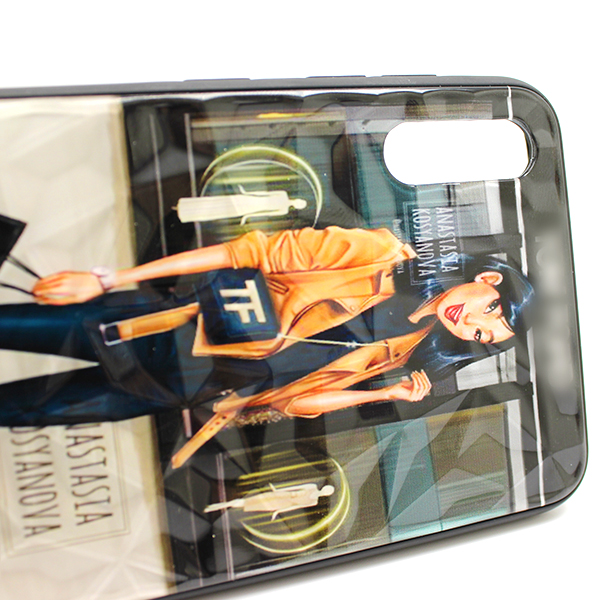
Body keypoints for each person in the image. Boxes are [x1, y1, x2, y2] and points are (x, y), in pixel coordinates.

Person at [0, 226, 533, 461]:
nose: (470, 322)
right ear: (487, 280)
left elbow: (293, 404)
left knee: (19, 410)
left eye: (481, 335)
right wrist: (109, 279)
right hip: (156, 326)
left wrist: (382, 394)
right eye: (488, 310)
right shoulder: (379, 255)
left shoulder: (399, 355)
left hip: (176, 387)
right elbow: (248, 252)